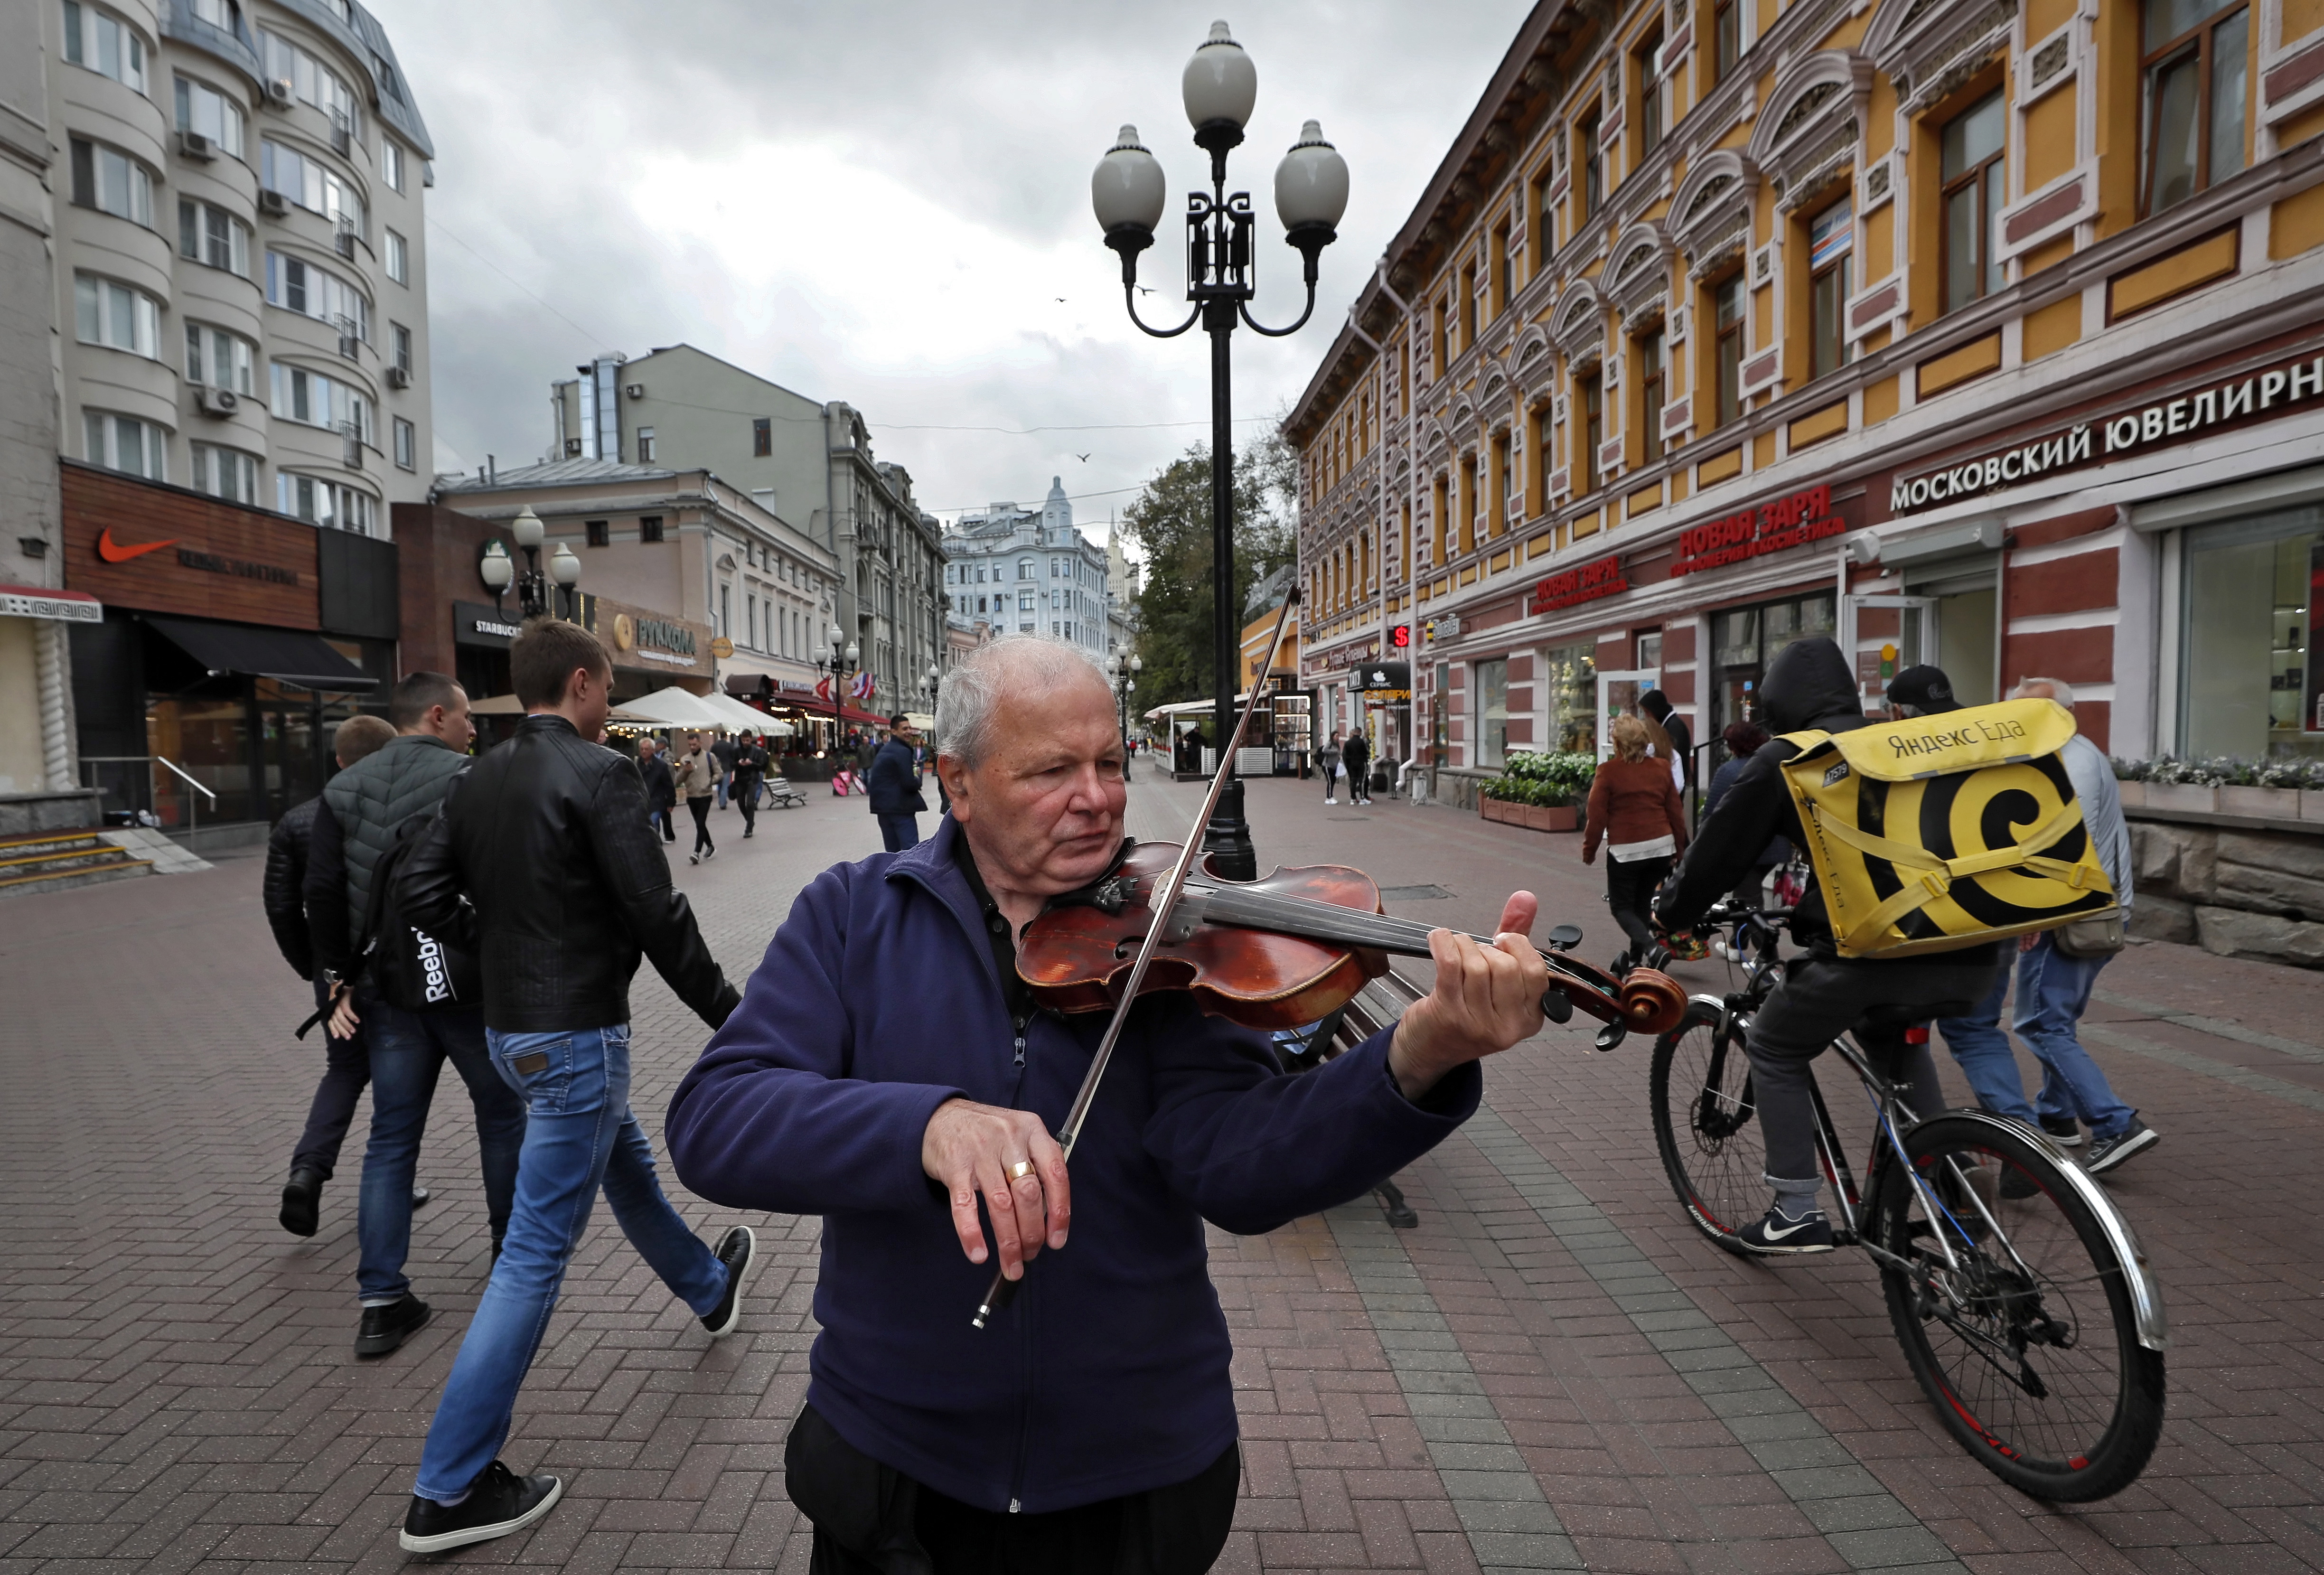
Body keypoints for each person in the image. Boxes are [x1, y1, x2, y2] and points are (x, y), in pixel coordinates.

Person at [664, 635, 1550, 1575]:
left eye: (1110, 762)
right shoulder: (851, 916)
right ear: (958, 784)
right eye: (1053, 769)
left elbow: (1242, 1169)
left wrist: (1421, 1052)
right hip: (894, 1474)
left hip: (1135, 1479)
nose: (1098, 797)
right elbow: (717, 1117)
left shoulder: (1173, 934)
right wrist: (925, 1126)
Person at [394, 616, 755, 1554]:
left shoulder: (478, 774)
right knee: (531, 1256)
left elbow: (422, 892)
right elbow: (657, 912)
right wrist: (737, 1017)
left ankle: (708, 1286)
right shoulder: (602, 774)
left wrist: (497, 951)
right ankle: (451, 1485)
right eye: (608, 689)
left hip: (513, 1032)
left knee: (620, 1158)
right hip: (574, 1032)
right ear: (587, 684)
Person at [1655, 637, 2006, 1254]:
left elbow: (1716, 856)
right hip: (1974, 950)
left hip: (1877, 956)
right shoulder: (1902, 740)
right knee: (1889, 1035)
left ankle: (1794, 1210)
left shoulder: (1794, 758)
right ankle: (1947, 1172)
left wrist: (1671, 914)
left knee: (1772, 1042)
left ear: (1779, 704)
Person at [305, 674, 527, 1356]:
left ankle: (381, 1298)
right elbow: (505, 876)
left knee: (391, 1137)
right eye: (465, 716)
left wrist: (338, 977)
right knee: (502, 1113)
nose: (471, 727)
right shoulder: (476, 777)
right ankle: (509, 1260)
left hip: (384, 987)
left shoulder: (341, 790)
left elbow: (322, 891)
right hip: (467, 981)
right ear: (437, 715)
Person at [1935, 676, 2158, 1176]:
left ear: (2061, 715)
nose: (2017, 723)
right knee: (2057, 1020)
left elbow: (2062, 845)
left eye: (2028, 714)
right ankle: (2056, 1116)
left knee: (2041, 1024)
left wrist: (2037, 912)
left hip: (2073, 914)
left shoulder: (2067, 761)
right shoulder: (2074, 752)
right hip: (2090, 908)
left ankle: (2114, 1123)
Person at [268, 712, 397, 1238]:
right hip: (390, 967)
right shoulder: (393, 814)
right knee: (397, 1073)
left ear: (339, 760)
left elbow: (281, 905)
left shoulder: (296, 821)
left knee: (343, 1070)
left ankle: (308, 1170)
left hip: (333, 973)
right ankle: (391, 1181)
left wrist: (315, 970)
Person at [1582, 715, 1689, 974]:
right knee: (1642, 904)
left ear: (1618, 744)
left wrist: (1590, 849)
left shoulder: (1608, 772)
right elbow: (1676, 811)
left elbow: (1597, 816)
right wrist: (1680, 849)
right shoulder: (1662, 768)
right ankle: (1635, 959)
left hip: (1626, 852)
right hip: (1660, 849)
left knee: (1621, 907)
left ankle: (1653, 949)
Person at [1700, 722, 1788, 908]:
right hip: (1776, 844)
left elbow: (1711, 811)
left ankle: (1761, 937)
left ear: (1734, 746)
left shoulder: (1729, 771)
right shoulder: (1775, 765)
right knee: (1744, 897)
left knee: (1749, 902)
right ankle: (1739, 938)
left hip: (1745, 848)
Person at [867, 713, 929, 853]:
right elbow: (909, 783)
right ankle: (909, 875)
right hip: (900, 809)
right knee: (911, 851)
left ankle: (893, 875)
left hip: (882, 809)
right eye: (904, 729)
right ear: (894, 731)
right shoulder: (902, 751)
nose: (908, 732)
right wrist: (918, 780)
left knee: (892, 853)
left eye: (909, 728)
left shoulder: (885, 749)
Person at [1639, 688, 1692, 799]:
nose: (1647, 716)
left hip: (1672, 792)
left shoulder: (1674, 727)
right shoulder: (1670, 725)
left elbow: (1675, 761)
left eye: (1648, 712)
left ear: (1656, 710)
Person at [675, 731, 717, 864]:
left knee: (700, 823)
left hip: (705, 795)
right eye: (690, 745)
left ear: (700, 743)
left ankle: (696, 852)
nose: (692, 747)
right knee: (700, 824)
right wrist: (685, 771)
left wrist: (710, 782)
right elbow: (677, 780)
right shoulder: (684, 759)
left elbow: (719, 773)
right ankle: (710, 846)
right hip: (692, 796)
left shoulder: (710, 757)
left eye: (694, 744)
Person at [637, 737, 677, 844]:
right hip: (643, 800)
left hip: (657, 800)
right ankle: (656, 843)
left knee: (653, 822)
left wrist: (671, 802)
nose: (644, 751)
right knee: (647, 826)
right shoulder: (636, 765)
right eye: (642, 749)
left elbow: (669, 785)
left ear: (653, 750)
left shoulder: (661, 766)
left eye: (646, 749)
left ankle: (656, 846)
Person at [731, 731, 769, 839]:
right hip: (740, 780)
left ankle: (749, 828)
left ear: (751, 739)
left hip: (752, 779)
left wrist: (751, 763)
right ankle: (750, 821)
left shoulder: (757, 751)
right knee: (740, 803)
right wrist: (739, 764)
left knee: (750, 803)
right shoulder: (737, 751)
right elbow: (732, 764)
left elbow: (761, 766)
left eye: (747, 740)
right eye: (744, 740)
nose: (745, 742)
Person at [1341, 726, 1373, 807]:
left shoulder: (1348, 743)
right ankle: (1362, 798)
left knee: (1353, 781)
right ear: (1360, 733)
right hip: (1360, 764)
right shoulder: (1361, 742)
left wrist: (1348, 764)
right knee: (1361, 781)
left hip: (1351, 764)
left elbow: (1345, 755)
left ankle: (1352, 799)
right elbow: (1366, 752)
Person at [712, 731, 739, 810]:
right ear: (726, 737)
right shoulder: (730, 745)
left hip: (717, 768)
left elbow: (712, 756)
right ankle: (722, 803)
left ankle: (722, 800)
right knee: (725, 786)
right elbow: (734, 756)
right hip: (727, 768)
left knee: (720, 786)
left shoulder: (715, 746)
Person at [1320, 728, 1345, 804]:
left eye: (1339, 736)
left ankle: (1331, 796)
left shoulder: (1337, 744)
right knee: (1330, 781)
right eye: (1337, 736)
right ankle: (1329, 797)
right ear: (1333, 736)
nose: (1338, 737)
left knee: (1333, 781)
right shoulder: (1330, 743)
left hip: (1334, 765)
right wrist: (1334, 752)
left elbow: (1338, 753)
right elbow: (1324, 750)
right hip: (1328, 765)